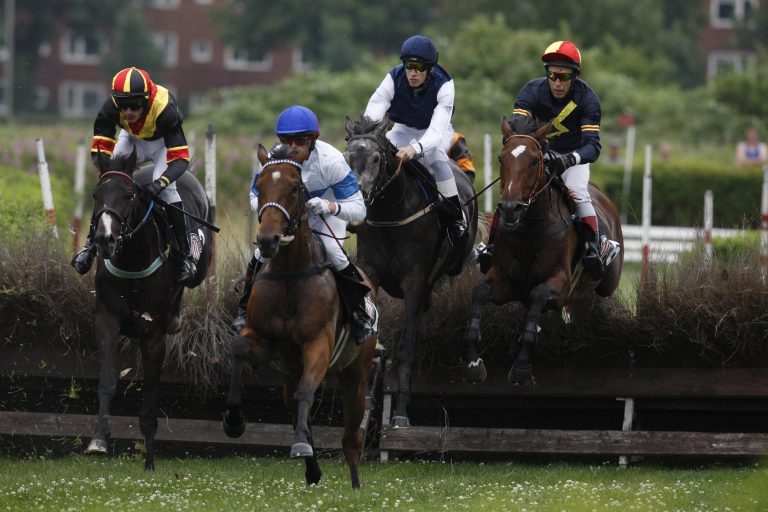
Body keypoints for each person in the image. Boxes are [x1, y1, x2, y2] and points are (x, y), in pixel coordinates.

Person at [233, 105, 374, 343]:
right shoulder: (272, 160)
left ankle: (360, 313)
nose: (293, 146)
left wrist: (330, 207)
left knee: (335, 255)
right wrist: (271, 212)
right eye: (287, 140)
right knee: (260, 254)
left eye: (300, 140)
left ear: (313, 139)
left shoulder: (332, 161)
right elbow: (255, 195)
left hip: (324, 216)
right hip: (287, 216)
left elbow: (359, 209)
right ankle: (243, 309)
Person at [71, 66, 197, 285]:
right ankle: (90, 245)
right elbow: (99, 151)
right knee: (108, 182)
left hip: (161, 144)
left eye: (135, 105)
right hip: (130, 137)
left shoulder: (166, 109)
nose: (128, 112)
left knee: (168, 189)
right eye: (123, 105)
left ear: (147, 101)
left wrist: (158, 184)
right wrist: (111, 176)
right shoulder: (110, 107)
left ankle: (185, 256)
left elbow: (181, 161)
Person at [509, 40, 614, 278]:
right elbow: (517, 125)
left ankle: (593, 248)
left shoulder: (588, 99)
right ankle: (493, 246)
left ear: (574, 77)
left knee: (577, 190)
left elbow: (593, 146)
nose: (557, 82)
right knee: (512, 188)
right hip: (538, 156)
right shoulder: (531, 91)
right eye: (552, 75)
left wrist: (569, 159)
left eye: (563, 78)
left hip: (572, 158)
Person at [363, 34, 467, 242]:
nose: (412, 73)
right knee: (375, 153)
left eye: (419, 68)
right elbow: (375, 109)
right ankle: (363, 206)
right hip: (402, 129)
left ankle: (456, 216)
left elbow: (437, 131)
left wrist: (416, 148)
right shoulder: (393, 77)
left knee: (436, 157)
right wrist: (369, 134)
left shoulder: (445, 84)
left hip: (437, 131)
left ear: (430, 69)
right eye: (409, 66)